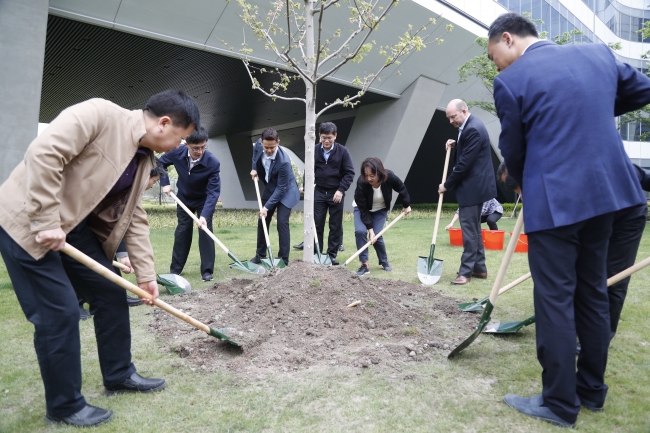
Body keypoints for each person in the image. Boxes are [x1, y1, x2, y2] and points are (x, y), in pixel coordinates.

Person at [487, 12, 650, 427]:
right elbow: (643, 89)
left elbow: (514, 150)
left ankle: (559, 403)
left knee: (555, 298)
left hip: (556, 203)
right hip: (606, 197)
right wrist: (592, 104)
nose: (497, 66)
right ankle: (592, 391)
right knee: (593, 292)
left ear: (508, 39)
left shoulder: (511, 81)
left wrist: (518, 183)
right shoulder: (598, 55)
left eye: (494, 57)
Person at [0, 90, 200, 427]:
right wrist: (45, 221)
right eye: (181, 139)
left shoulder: (143, 158)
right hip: (26, 223)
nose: (179, 147)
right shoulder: (99, 114)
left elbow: (134, 215)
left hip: (71, 228)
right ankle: (65, 406)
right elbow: (44, 153)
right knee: (59, 313)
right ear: (164, 124)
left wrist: (146, 276)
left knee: (110, 292)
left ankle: (119, 374)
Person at [78, 158, 168, 319]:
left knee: (105, 262)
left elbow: (124, 226)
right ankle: (76, 303)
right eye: (154, 180)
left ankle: (117, 295)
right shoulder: (113, 178)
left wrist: (123, 255)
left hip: (101, 231)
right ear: (144, 175)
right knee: (80, 263)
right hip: (78, 222)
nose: (153, 185)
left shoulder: (131, 190)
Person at [438, 99, 497, 285]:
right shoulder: (471, 126)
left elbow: (464, 165)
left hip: (473, 188)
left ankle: (465, 273)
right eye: (448, 118)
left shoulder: (473, 128)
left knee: (469, 232)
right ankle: (480, 269)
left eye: (453, 116)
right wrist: (458, 143)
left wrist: (446, 185)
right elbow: (470, 149)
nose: (451, 121)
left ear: (464, 111)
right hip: (477, 186)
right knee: (475, 230)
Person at [160, 127, 221, 282]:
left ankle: (207, 271)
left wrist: (205, 216)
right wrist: (165, 182)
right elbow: (159, 163)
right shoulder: (176, 152)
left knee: (206, 232)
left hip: (203, 200)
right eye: (196, 148)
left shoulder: (213, 162)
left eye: (203, 147)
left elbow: (214, 192)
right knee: (182, 231)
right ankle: (175, 270)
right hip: (184, 198)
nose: (200, 151)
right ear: (186, 144)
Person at [250, 128, 300, 266]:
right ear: (261, 143)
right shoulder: (259, 146)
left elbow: (281, 189)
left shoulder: (284, 162)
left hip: (287, 191)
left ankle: (283, 259)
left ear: (278, 142)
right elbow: (255, 156)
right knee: (262, 220)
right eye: (266, 147)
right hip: (271, 187)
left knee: (282, 222)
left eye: (272, 147)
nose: (269, 150)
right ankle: (260, 255)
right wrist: (254, 168)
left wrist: (266, 207)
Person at [353, 157, 411, 276]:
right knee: (360, 232)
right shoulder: (361, 182)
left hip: (380, 209)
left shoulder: (389, 176)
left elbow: (401, 188)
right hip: (361, 208)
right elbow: (363, 209)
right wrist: (370, 230)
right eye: (366, 175)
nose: (369, 178)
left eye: (372, 175)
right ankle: (364, 265)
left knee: (377, 235)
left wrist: (406, 205)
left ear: (379, 172)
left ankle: (384, 261)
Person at [311, 122, 355, 265]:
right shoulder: (314, 150)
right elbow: (309, 170)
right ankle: (316, 254)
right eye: (324, 138)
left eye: (329, 138)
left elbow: (349, 173)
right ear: (319, 136)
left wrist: (341, 190)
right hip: (319, 193)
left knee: (335, 225)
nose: (327, 141)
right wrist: (308, 186)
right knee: (317, 224)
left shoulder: (343, 151)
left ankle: (331, 255)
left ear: (335, 136)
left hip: (336, 193)